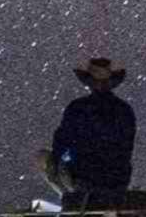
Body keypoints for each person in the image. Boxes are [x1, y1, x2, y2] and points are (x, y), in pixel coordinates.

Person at [46, 55, 137, 201]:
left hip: (83, 178)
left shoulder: (77, 107)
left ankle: (70, 196)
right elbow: (126, 148)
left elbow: (61, 142)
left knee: (44, 158)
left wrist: (65, 160)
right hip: (116, 180)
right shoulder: (124, 109)